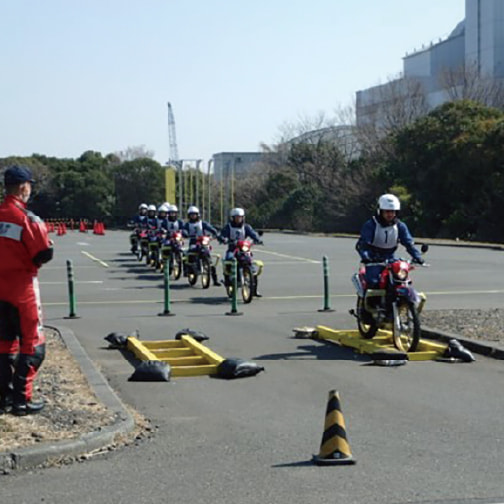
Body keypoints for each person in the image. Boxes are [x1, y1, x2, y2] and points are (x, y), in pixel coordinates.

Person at [0, 166, 54, 416]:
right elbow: (43, 252)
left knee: (3, 344)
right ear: (23, 187)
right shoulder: (26, 218)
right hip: (22, 289)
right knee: (33, 344)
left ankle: (4, 395)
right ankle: (22, 399)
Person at [356, 193, 423, 288]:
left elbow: (409, 243)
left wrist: (417, 257)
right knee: (373, 282)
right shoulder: (371, 225)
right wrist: (367, 257)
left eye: (393, 212)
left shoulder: (400, 226)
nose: (390, 214)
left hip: (391, 258)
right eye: (387, 211)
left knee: (402, 280)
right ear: (380, 211)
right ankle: (370, 302)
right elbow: (363, 245)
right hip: (374, 259)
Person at [219, 207, 264, 296]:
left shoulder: (246, 227)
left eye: (240, 217)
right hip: (232, 249)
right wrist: (223, 239)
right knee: (229, 259)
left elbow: (253, 234)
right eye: (236, 217)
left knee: (251, 267)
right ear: (232, 218)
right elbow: (222, 235)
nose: (238, 219)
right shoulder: (228, 227)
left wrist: (257, 240)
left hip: (243, 249)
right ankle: (228, 281)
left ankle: (254, 290)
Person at [182, 206, 221, 286]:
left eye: (195, 214)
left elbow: (211, 228)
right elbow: (184, 231)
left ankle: (215, 280)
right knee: (189, 255)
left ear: (198, 215)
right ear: (189, 216)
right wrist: (185, 234)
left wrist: (215, 233)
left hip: (203, 243)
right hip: (193, 243)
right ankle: (187, 270)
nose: (193, 216)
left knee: (210, 261)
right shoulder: (187, 224)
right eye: (191, 215)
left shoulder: (203, 223)